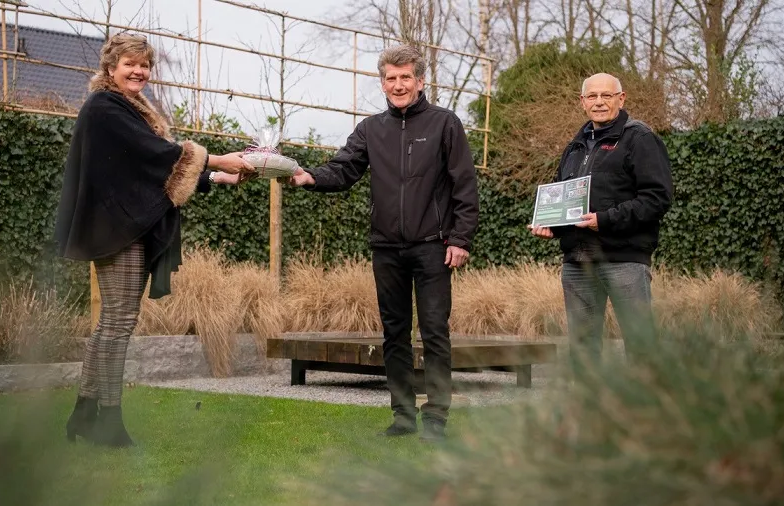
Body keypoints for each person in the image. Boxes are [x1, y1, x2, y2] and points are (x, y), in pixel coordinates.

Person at [55, 32, 255, 448]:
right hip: (117, 227)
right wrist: (217, 158)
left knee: (113, 323)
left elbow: (154, 163)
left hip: (126, 225)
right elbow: (158, 154)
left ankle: (84, 415)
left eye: (144, 64)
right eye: (130, 63)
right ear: (111, 67)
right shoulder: (104, 107)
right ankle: (105, 421)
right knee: (118, 322)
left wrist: (218, 176)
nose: (139, 71)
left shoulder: (129, 107)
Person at [288, 44, 479, 442]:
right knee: (394, 333)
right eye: (390, 78)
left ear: (421, 81)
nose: (397, 84)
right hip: (387, 248)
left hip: (433, 247)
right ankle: (403, 416)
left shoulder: (445, 124)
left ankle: (436, 419)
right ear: (383, 83)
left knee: (434, 332)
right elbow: (343, 169)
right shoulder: (371, 129)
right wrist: (310, 177)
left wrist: (460, 238)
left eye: (405, 77)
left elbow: (464, 184)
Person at [528, 73, 673, 380]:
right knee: (582, 350)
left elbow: (657, 198)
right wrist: (553, 226)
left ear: (621, 99)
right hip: (578, 263)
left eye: (606, 96)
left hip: (624, 260)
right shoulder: (575, 147)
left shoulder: (640, 138)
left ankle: (648, 419)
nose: (599, 102)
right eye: (592, 96)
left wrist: (604, 220)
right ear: (582, 103)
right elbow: (568, 202)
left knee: (641, 347)